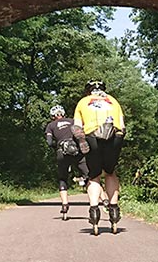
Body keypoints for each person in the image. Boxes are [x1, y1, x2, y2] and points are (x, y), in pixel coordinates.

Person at [73, 80, 125, 234]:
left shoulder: (83, 102)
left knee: (94, 175)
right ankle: (114, 211)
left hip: (92, 137)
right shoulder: (114, 101)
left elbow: (76, 127)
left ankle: (94, 212)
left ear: (88, 91)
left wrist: (81, 141)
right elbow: (122, 126)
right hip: (114, 137)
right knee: (110, 172)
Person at [45, 104, 89, 220]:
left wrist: (57, 146)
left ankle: (65, 205)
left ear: (53, 116)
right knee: (89, 176)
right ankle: (101, 201)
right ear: (63, 114)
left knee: (63, 178)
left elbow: (49, 142)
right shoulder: (73, 121)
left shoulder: (50, 125)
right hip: (76, 150)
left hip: (62, 152)